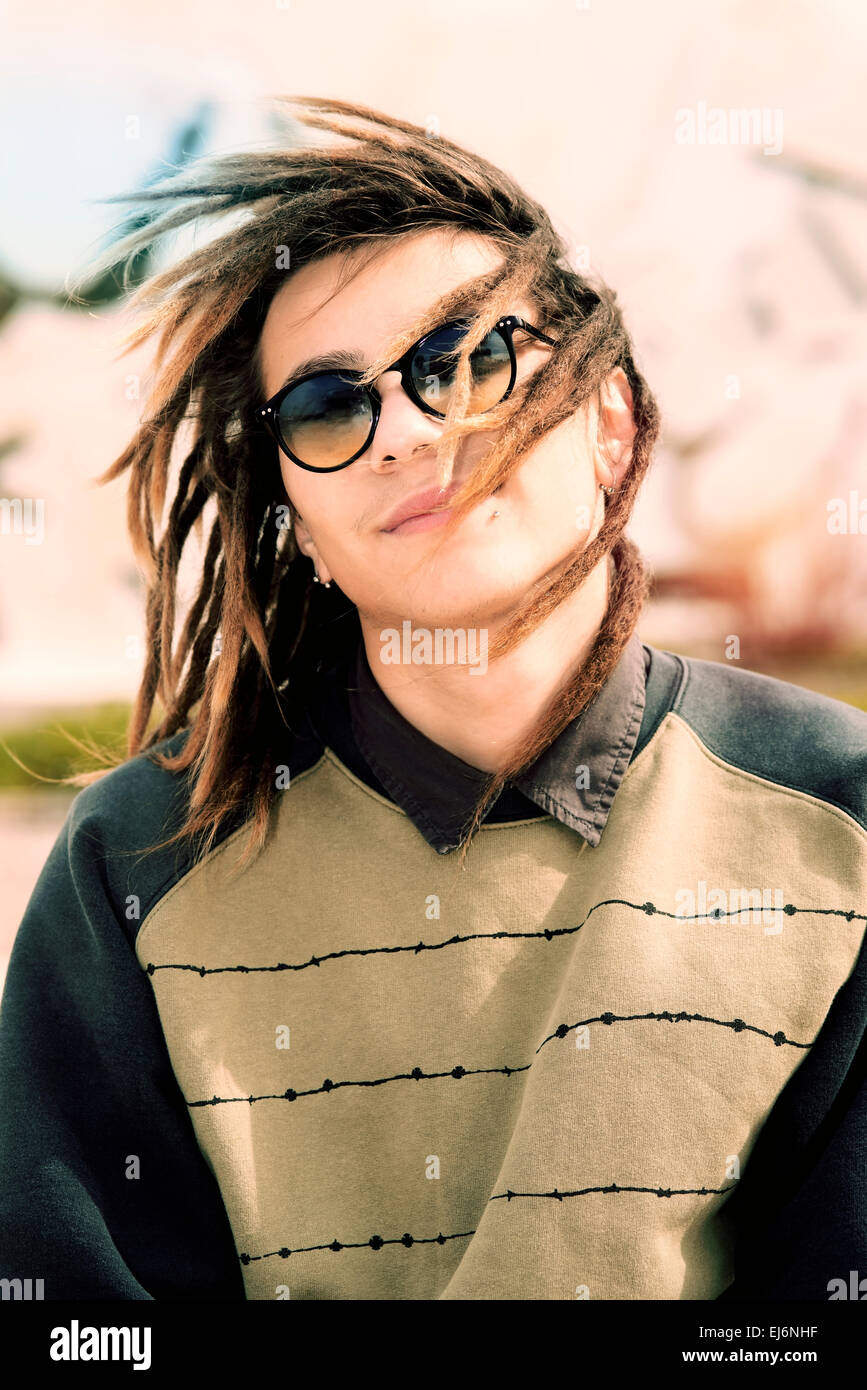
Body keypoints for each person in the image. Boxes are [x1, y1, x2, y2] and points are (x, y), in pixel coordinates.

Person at [0, 96, 865, 1302]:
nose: (404, 428)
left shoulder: (841, 818)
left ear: (610, 423)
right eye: (326, 405)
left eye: (465, 359)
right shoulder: (136, 864)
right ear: (296, 525)